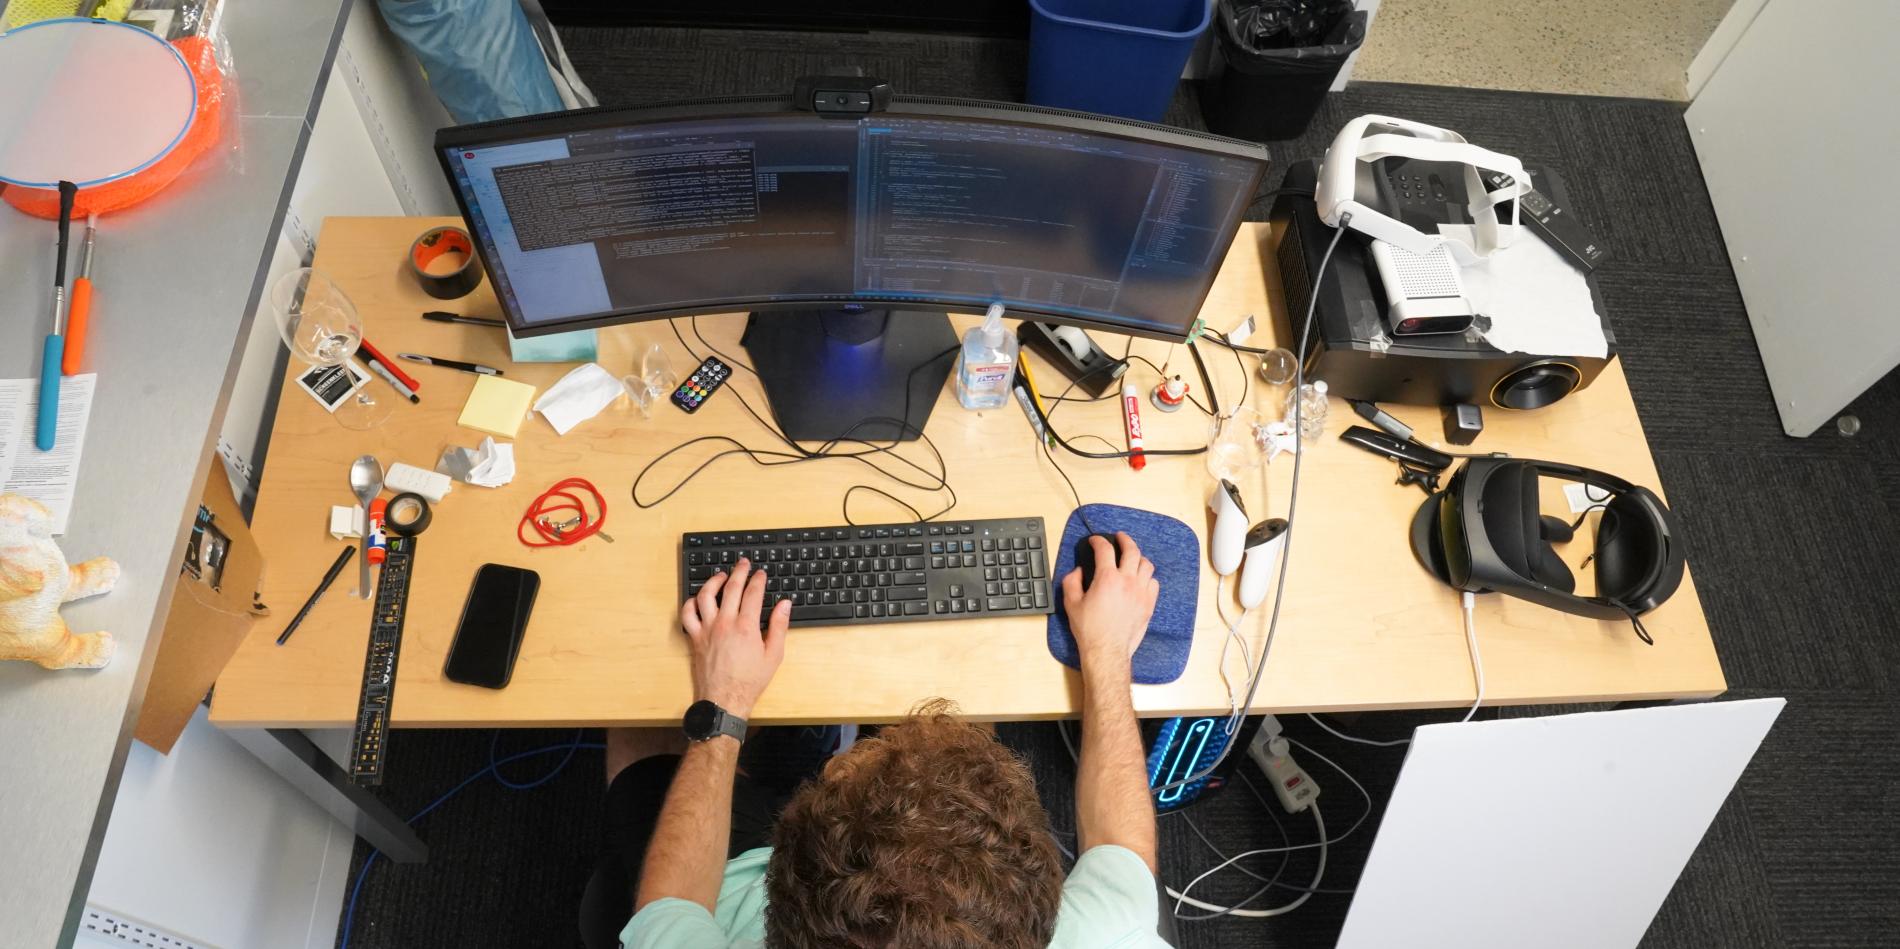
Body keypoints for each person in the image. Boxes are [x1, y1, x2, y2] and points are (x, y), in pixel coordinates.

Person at [599, 531, 1170, 948]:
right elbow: (1121, 850)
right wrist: (1106, 653)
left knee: (643, 728)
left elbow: (669, 905)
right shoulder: (1111, 937)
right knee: (961, 720)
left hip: (733, 872)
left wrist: (722, 707)